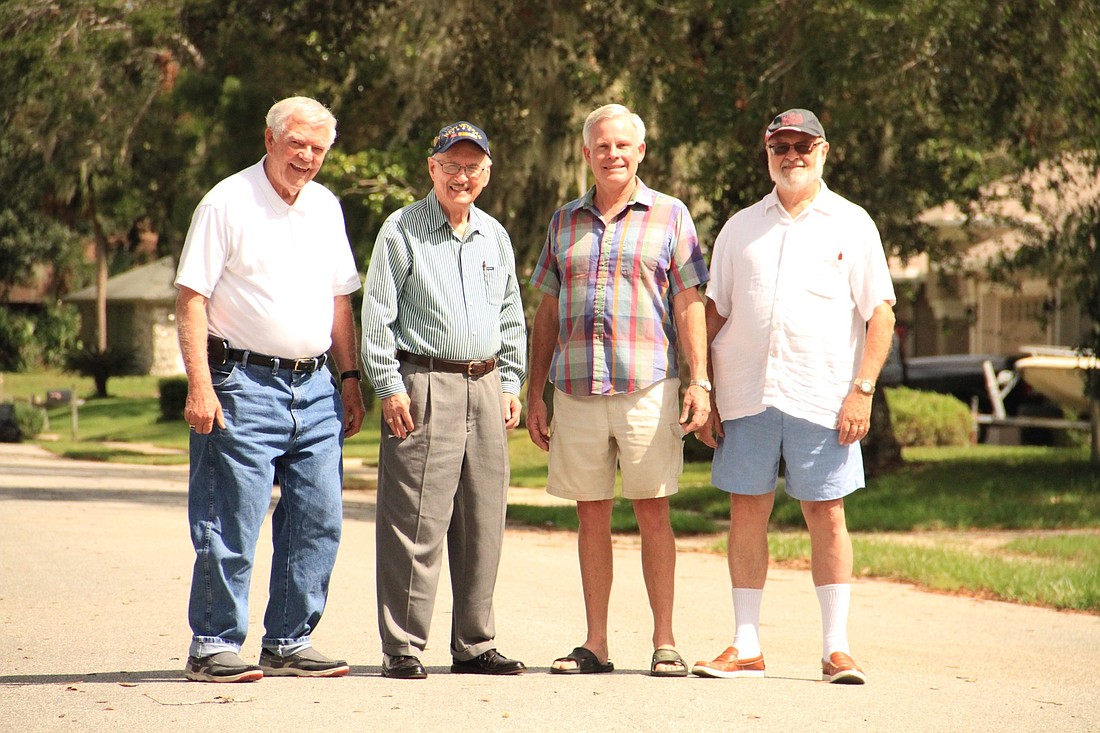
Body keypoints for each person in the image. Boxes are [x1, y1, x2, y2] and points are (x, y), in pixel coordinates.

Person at [693, 108, 896, 685]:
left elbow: (879, 314)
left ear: (823, 151)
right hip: (745, 397)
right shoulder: (739, 226)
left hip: (825, 397)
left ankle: (837, 650)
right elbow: (716, 311)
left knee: (827, 515)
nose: (791, 155)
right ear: (767, 153)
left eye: (802, 145)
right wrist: (702, 386)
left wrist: (862, 391)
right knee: (745, 512)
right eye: (780, 146)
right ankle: (747, 646)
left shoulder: (852, 223)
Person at [175, 96, 365, 683]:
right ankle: (212, 645)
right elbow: (191, 299)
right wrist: (200, 387)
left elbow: (339, 300)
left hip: (315, 387)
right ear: (270, 139)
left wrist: (351, 377)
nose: (306, 157)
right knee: (231, 517)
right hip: (241, 383)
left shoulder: (326, 207)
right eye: (297, 144)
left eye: (317, 149)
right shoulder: (227, 202)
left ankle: (288, 641)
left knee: (318, 515)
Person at [527, 104, 710, 677]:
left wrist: (699, 380)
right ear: (587, 154)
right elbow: (548, 312)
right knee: (591, 515)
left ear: (641, 152)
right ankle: (596, 643)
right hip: (577, 388)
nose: (613, 154)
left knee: (654, 511)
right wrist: (537, 392)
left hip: (648, 385)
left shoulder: (672, 216)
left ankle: (665, 641)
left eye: (623, 146)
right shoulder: (563, 222)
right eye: (602, 145)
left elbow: (689, 304)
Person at [360, 121, 528, 680]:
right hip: (423, 382)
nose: (462, 176)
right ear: (432, 168)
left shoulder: (494, 235)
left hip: (485, 382)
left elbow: (510, 314)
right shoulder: (401, 230)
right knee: (415, 521)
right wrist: (387, 385)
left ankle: (475, 644)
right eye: (451, 165)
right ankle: (404, 646)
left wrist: (511, 382)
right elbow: (378, 315)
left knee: (484, 518)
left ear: (487, 173)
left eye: (472, 167)